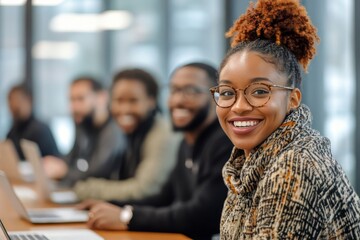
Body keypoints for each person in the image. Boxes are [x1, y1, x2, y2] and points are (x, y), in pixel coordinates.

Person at [209, 0, 360, 239]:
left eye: (259, 91)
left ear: (293, 99)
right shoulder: (248, 164)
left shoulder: (295, 164)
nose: (239, 107)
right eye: (227, 93)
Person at [77, 62, 234, 240]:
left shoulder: (225, 143)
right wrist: (112, 205)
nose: (178, 100)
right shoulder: (187, 141)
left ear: (217, 97)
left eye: (191, 91)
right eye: (174, 90)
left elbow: (202, 214)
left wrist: (127, 217)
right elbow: (164, 197)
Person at [73, 68, 179, 201]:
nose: (124, 109)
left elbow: (144, 189)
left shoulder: (162, 135)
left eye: (133, 101)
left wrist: (86, 189)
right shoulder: (131, 133)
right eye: (119, 100)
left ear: (151, 101)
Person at [44, 77, 126, 187]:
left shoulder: (113, 130)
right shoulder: (83, 123)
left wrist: (64, 172)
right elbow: (71, 157)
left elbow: (97, 173)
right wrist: (56, 164)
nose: (74, 107)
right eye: (71, 100)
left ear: (102, 97)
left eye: (80, 99)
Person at [6, 84, 60, 160]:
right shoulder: (12, 132)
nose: (14, 105)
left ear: (29, 101)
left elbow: (54, 162)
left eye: (18, 102)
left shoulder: (41, 130)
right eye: (10, 102)